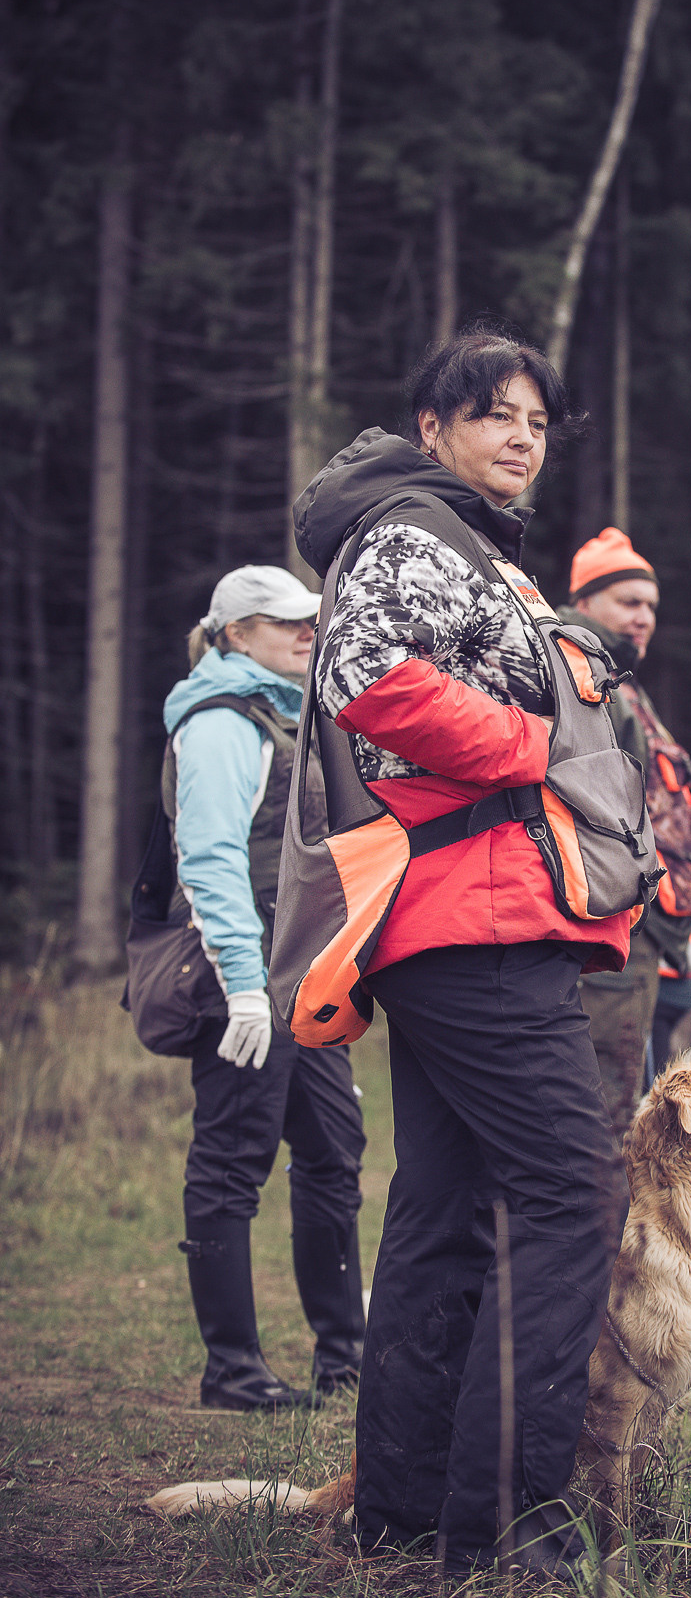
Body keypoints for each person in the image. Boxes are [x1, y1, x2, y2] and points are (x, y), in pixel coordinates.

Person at [294, 330, 638, 1577]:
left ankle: (399, 1507)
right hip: (477, 915)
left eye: (538, 423)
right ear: (431, 428)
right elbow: (367, 677)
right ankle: (505, 1526)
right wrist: (529, 746)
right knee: (570, 1196)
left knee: (445, 1210)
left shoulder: (463, 543)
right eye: (494, 414)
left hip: (466, 918)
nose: (521, 437)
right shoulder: (409, 532)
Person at [163, 565, 367, 1410]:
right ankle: (234, 1372)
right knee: (231, 1164)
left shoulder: (291, 715)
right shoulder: (219, 721)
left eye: (308, 619)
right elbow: (208, 861)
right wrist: (245, 989)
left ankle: (345, 1358)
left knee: (333, 1152)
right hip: (238, 981)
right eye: (282, 621)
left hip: (301, 982)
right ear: (235, 633)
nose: (304, 631)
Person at [560, 527, 691, 1127]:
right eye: (628, 602)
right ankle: (595, 1224)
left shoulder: (621, 679)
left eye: (651, 605)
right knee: (606, 1116)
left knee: (621, 1104)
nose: (644, 617)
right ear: (586, 602)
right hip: (611, 932)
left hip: (638, 933)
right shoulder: (586, 674)